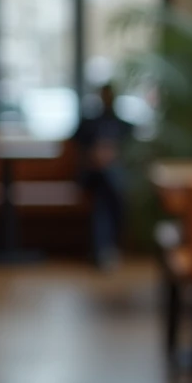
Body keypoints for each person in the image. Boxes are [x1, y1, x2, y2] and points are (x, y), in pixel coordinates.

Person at [73, 84, 133, 270]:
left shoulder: (124, 125)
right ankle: (107, 249)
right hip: (92, 176)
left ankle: (101, 250)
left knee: (102, 200)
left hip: (110, 179)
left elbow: (131, 153)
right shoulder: (88, 123)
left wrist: (111, 155)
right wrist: (94, 156)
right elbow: (77, 149)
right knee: (108, 185)